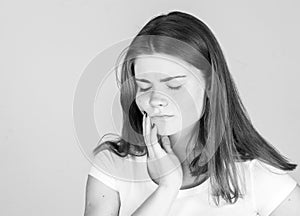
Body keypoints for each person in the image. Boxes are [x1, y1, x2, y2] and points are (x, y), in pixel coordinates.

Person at [83, 11, 300, 216]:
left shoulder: (255, 175)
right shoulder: (113, 165)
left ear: (211, 86)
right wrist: (167, 188)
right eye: (144, 86)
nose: (156, 99)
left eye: (174, 85)